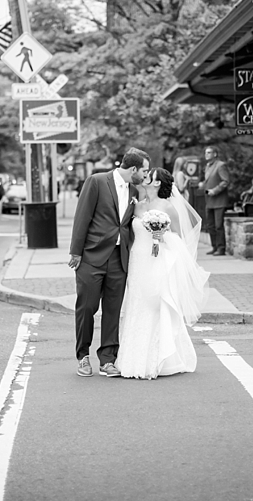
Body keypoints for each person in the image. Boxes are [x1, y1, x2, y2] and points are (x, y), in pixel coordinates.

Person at [117, 168, 210, 379]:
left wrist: (161, 236)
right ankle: (132, 359)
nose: (146, 176)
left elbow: (179, 237)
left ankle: (163, 359)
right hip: (137, 260)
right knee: (137, 305)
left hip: (157, 261)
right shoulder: (136, 205)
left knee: (156, 306)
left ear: (158, 183)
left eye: (150, 175)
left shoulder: (167, 206)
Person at [69, 147, 150, 378]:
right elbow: (82, 217)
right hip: (91, 257)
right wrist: (76, 252)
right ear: (133, 169)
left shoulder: (135, 190)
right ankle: (82, 356)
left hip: (119, 258)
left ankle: (107, 360)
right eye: (143, 171)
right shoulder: (96, 181)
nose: (145, 175)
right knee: (87, 307)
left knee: (113, 310)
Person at [198, 146, 230, 256]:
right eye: (206, 152)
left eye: (209, 152)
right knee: (210, 225)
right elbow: (209, 180)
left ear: (215, 154)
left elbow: (225, 181)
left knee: (218, 226)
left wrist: (215, 190)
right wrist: (203, 184)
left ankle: (221, 249)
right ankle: (214, 246)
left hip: (219, 200)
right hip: (209, 200)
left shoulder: (221, 165)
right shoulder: (207, 166)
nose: (206, 154)